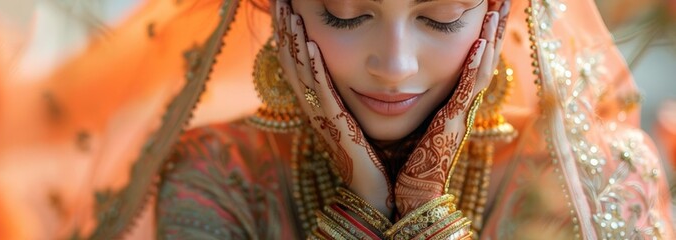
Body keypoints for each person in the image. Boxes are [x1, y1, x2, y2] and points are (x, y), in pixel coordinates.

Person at [67, 0, 675, 239]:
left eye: (440, 18)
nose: (394, 65)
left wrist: (424, 209)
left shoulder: (580, 187)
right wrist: (365, 201)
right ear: (282, 13)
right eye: (345, 13)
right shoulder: (218, 173)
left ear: (498, 13)